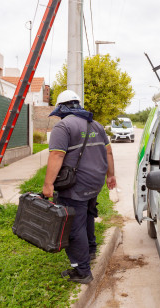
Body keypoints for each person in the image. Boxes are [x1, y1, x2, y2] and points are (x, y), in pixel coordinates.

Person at [42, 90, 116, 284]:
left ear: (62, 108)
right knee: (88, 215)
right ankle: (90, 250)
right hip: (95, 182)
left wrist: (48, 184)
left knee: (74, 227)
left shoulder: (63, 126)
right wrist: (111, 176)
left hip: (75, 185)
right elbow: (108, 152)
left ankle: (82, 271)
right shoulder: (97, 125)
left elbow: (56, 156)